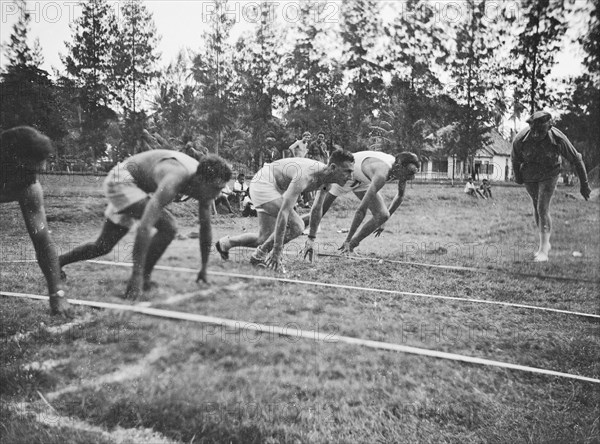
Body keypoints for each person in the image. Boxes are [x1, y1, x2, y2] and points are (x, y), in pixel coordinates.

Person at [59, 150, 232, 298]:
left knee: (103, 246)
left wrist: (203, 268)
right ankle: (143, 277)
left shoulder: (205, 188)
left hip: (138, 186)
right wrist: (136, 277)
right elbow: (145, 226)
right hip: (123, 180)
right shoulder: (174, 177)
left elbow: (205, 227)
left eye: (221, 189)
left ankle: (57, 262)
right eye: (216, 188)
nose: (217, 195)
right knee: (168, 226)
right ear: (201, 181)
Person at [215, 150, 355, 271]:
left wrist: (311, 240)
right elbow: (284, 212)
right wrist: (277, 250)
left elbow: (317, 209)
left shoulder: (327, 182)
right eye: (347, 171)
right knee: (297, 226)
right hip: (264, 182)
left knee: (264, 238)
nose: (351, 177)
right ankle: (259, 256)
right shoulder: (305, 176)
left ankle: (225, 244)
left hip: (275, 186)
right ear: (333, 167)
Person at [0, 126, 71, 316]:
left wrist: (57, 292)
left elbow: (43, 241)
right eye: (32, 166)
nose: (43, 169)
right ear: (14, 160)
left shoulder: (30, 187)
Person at [301, 151, 420, 258]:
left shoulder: (400, 169)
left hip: (362, 181)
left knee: (383, 215)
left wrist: (383, 221)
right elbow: (360, 210)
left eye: (412, 175)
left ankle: (351, 246)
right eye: (408, 174)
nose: (409, 178)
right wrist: (347, 239)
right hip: (345, 175)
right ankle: (292, 223)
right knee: (319, 212)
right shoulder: (381, 174)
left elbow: (400, 196)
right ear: (399, 167)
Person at [512, 110, 591, 262]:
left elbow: (577, 159)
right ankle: (545, 242)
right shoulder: (520, 139)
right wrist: (518, 177)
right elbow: (515, 160)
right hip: (530, 174)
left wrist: (584, 185)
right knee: (537, 206)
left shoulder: (558, 138)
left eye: (540, 131)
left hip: (550, 173)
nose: (535, 135)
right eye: (533, 131)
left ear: (549, 128)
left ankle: (543, 251)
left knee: (542, 207)